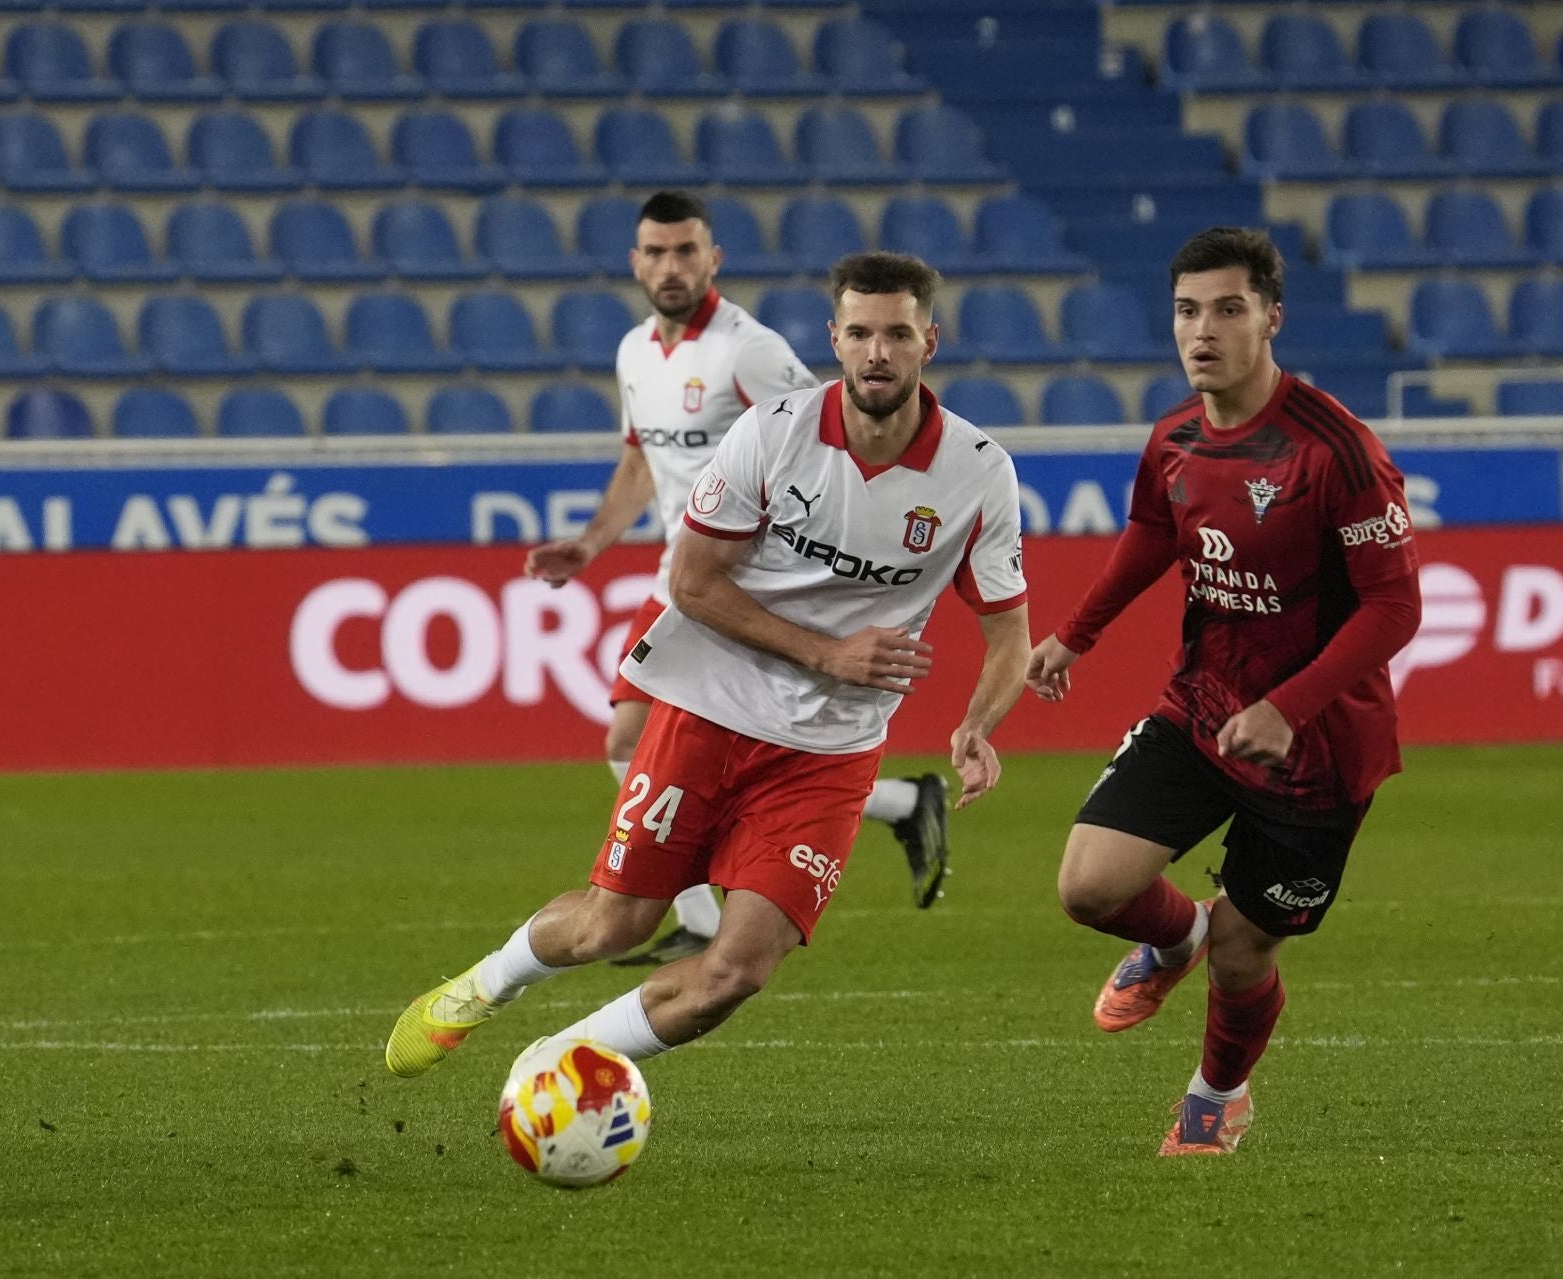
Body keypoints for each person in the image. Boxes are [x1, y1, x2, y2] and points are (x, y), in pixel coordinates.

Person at [387, 251, 1030, 1081]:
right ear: (834, 338)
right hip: (711, 711)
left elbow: (1009, 632)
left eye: (897, 334)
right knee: (611, 926)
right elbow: (691, 583)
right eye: (861, 333)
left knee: (736, 973)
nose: (878, 352)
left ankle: (556, 1067)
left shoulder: (978, 473)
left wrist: (979, 722)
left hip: (830, 754)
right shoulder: (772, 433)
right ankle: (482, 985)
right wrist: (828, 652)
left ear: (928, 342)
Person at [1026, 227, 1421, 1156]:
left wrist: (1289, 706)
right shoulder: (1174, 437)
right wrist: (1074, 633)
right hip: (1202, 707)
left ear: (1272, 318)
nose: (1203, 330)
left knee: (1248, 950)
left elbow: (1394, 608)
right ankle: (1173, 940)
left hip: (1318, 752)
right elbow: (1150, 534)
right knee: (1088, 886)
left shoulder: (1338, 450)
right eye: (1187, 310)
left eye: (1228, 309)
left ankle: (1216, 1095)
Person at [525, 193, 952, 968]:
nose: (670, 266)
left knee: (647, 736)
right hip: (678, 571)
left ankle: (692, 908)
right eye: (655, 252)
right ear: (635, 261)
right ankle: (896, 803)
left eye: (686, 250)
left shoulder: (747, 350)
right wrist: (590, 545)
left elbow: (822, 429)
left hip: (747, 575)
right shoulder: (632, 352)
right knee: (631, 736)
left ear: (713, 258)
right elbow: (639, 460)